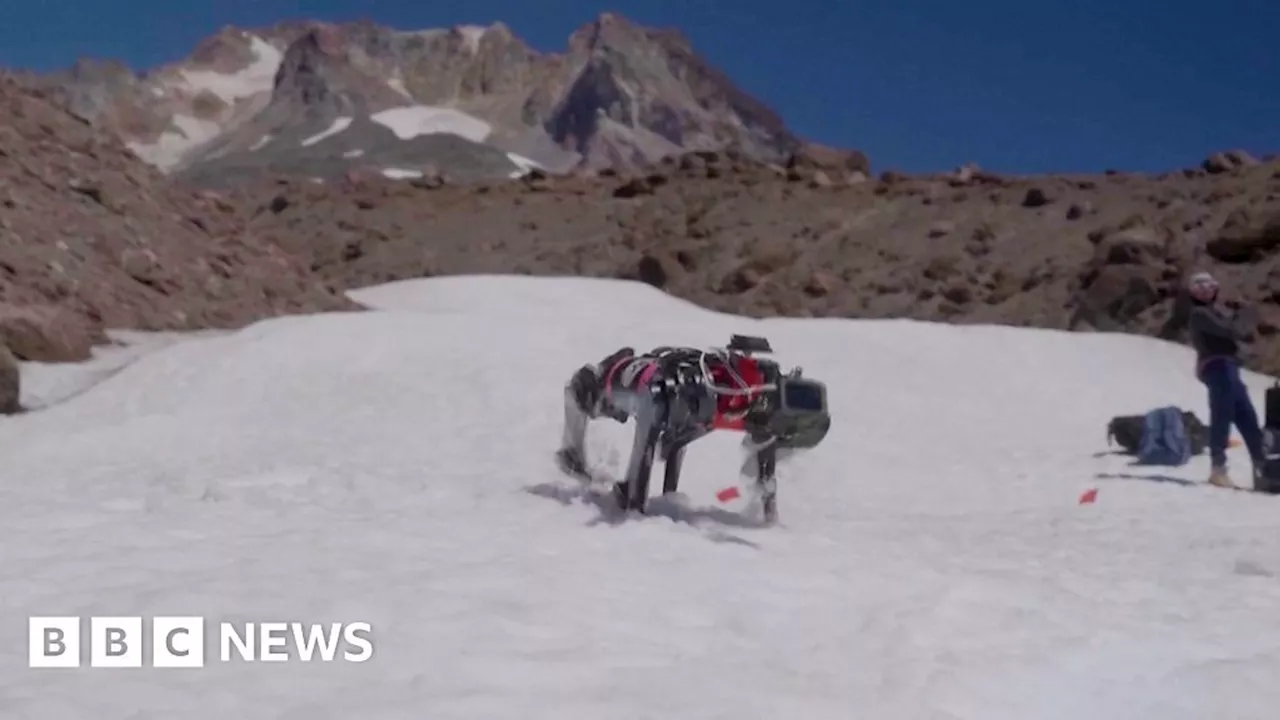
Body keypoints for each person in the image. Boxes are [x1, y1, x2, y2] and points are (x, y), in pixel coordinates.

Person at [555, 335, 830, 523]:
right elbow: (636, 494)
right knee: (580, 389)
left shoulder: (745, 399)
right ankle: (572, 454)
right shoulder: (658, 394)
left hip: (663, 385)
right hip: (639, 382)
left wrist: (768, 508)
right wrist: (633, 501)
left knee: (676, 429)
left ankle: (577, 453)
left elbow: (764, 436)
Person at [1185, 271, 1267, 488]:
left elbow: (1237, 331)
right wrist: (1242, 314)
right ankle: (1218, 469)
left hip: (1229, 367)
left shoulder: (1214, 312)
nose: (1205, 291)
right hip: (1217, 366)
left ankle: (1262, 467)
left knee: (1247, 418)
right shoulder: (1199, 314)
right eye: (1200, 288)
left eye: (1209, 287)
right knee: (1222, 415)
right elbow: (1233, 331)